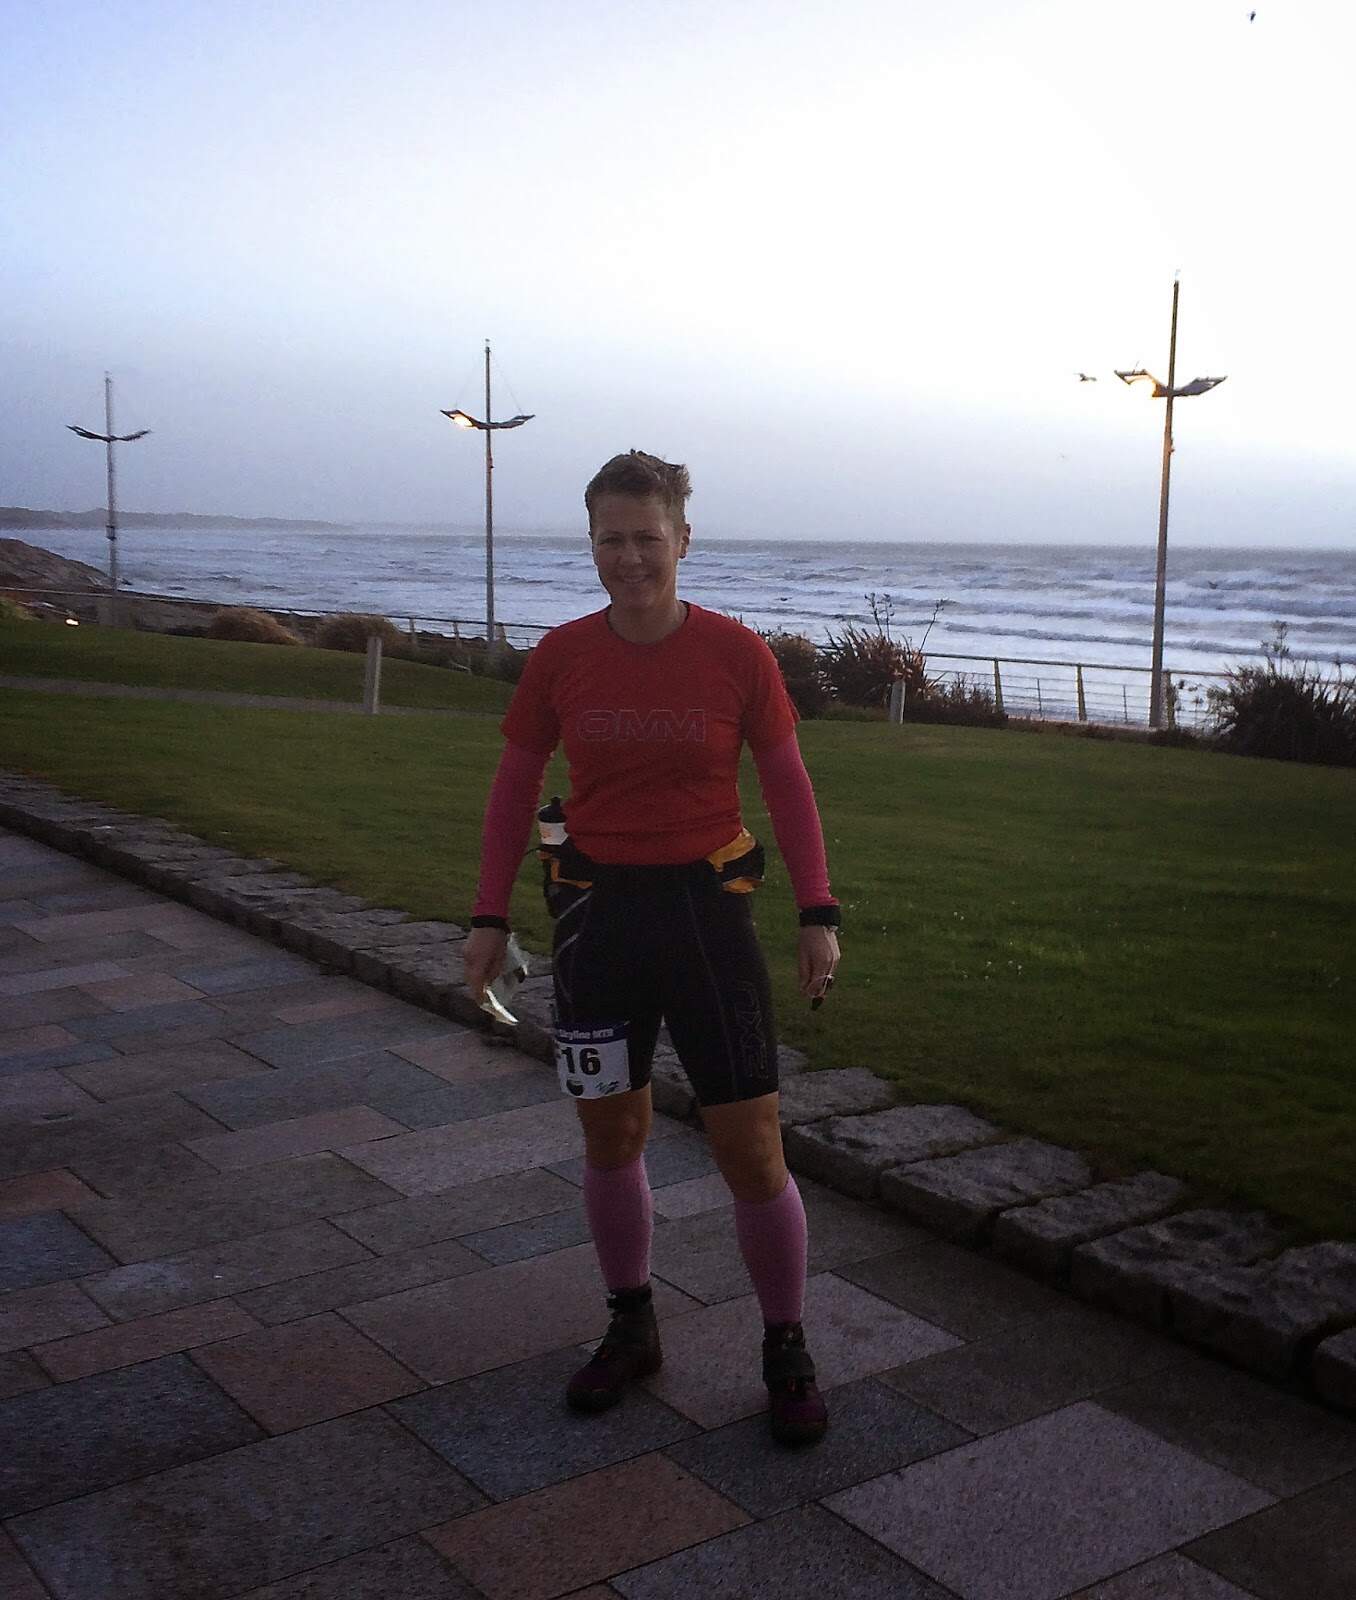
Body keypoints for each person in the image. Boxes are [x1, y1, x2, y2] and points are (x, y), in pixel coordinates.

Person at [462, 450, 841, 1446]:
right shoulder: (561, 656)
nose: (629, 558)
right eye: (610, 540)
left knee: (751, 1147)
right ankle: (632, 1324)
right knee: (610, 1135)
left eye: (646, 537)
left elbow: (789, 785)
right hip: (596, 918)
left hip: (705, 916)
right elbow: (514, 788)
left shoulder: (735, 653)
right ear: (591, 544)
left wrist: (817, 911)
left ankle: (785, 1342)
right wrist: (489, 916)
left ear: (682, 538)